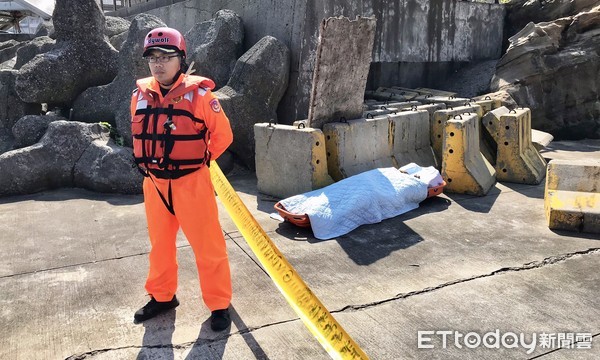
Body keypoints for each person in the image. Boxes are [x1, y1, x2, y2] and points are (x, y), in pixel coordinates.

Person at [130, 27, 233, 332]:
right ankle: (162, 297)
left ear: (181, 59)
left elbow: (223, 136)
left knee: (208, 246)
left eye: (166, 57)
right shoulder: (139, 94)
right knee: (159, 245)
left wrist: (200, 160)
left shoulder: (201, 95)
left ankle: (218, 304)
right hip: (155, 184)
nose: (158, 63)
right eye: (152, 57)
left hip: (192, 182)